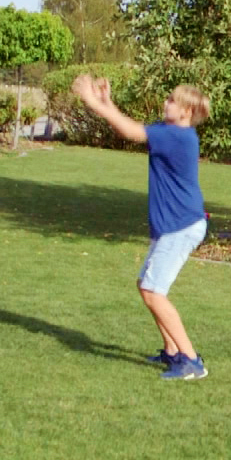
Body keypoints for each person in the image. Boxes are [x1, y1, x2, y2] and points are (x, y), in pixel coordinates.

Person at [72, 75, 211, 381]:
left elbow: (132, 133)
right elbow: (133, 129)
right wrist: (108, 103)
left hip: (180, 225)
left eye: (172, 100)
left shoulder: (179, 137)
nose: (166, 102)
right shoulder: (169, 131)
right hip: (176, 224)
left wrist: (93, 103)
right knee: (146, 287)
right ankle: (172, 352)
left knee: (152, 291)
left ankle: (190, 360)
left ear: (186, 112)